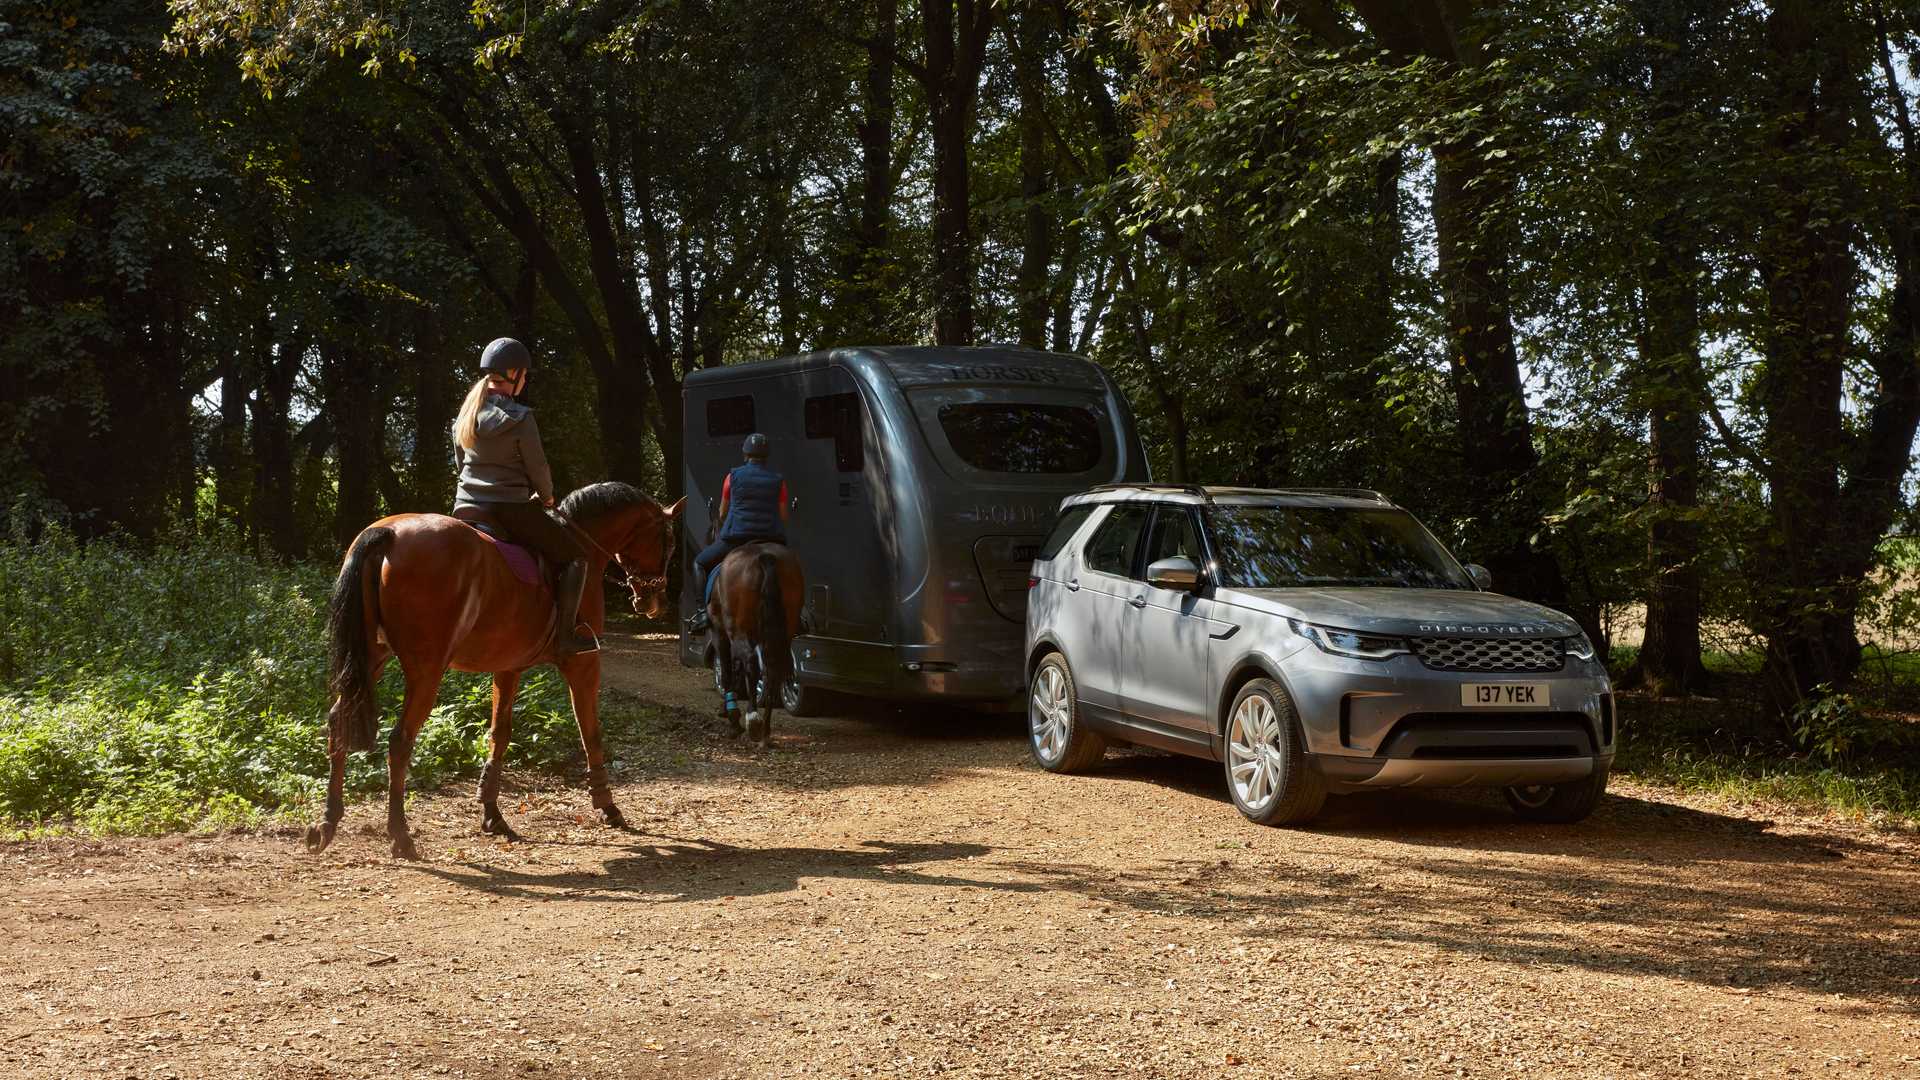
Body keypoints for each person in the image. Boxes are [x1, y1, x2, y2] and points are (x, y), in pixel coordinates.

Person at [450, 337, 598, 656]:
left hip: (465, 508)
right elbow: (538, 466)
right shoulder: (520, 418)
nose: (526, 380)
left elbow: (461, 465)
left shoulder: (464, 417)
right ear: (514, 374)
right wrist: (546, 497)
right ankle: (565, 637)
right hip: (509, 508)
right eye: (525, 375)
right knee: (576, 557)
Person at [685, 433, 789, 634]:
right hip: (772, 539)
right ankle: (799, 615)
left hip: (737, 538)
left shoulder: (732, 477)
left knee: (699, 562)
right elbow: (783, 515)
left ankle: (702, 613)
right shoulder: (778, 481)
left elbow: (723, 512)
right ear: (766, 455)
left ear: (745, 454)